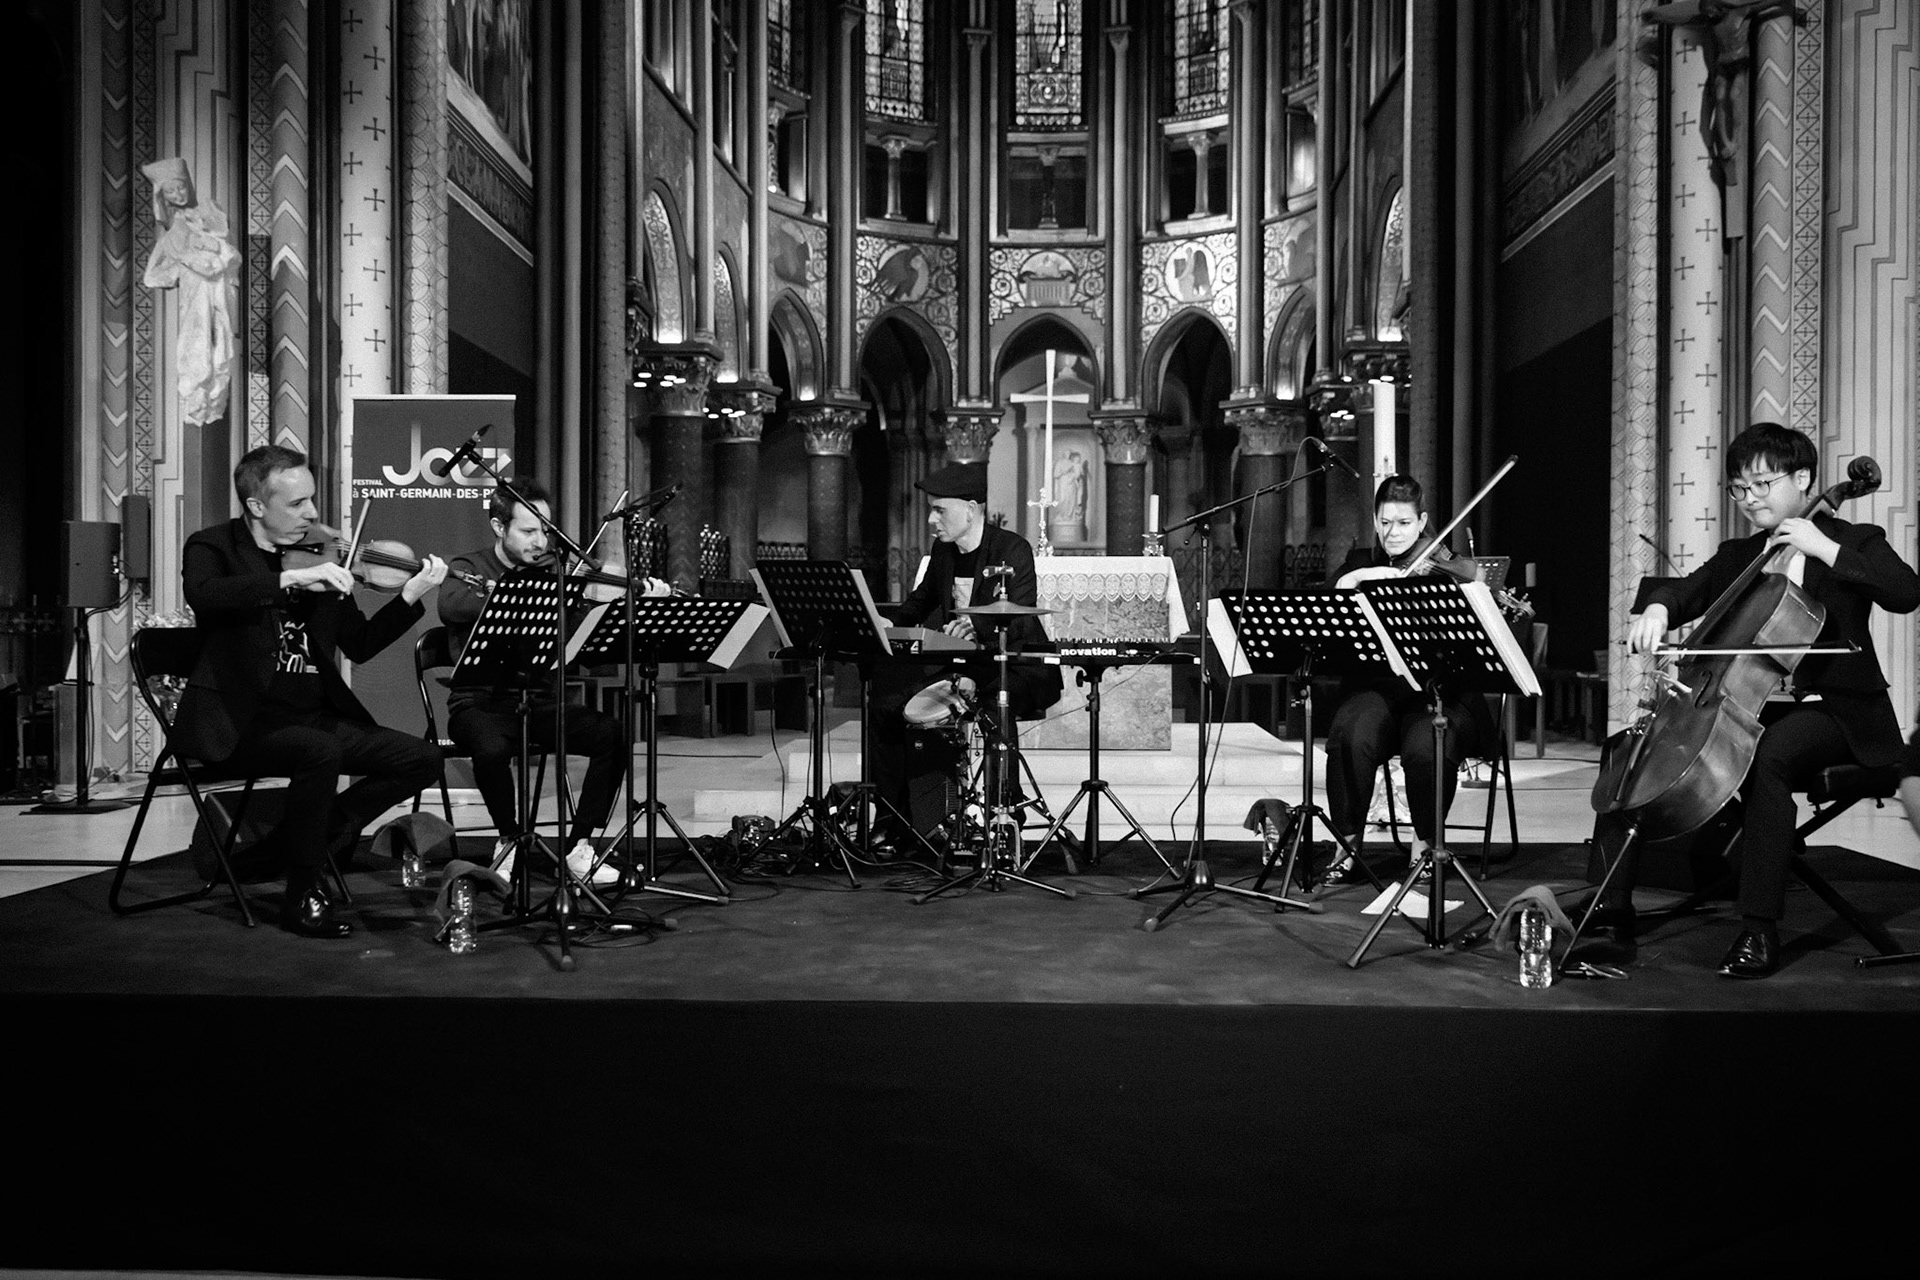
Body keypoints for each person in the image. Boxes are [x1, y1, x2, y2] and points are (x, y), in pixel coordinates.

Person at [1589, 422, 1920, 977]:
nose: (1749, 499)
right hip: (1749, 703)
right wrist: (1659, 610)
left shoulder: (1854, 542)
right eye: (1740, 489)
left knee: (1770, 754)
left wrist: (1827, 550)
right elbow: (1683, 588)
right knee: (1628, 747)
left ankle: (1757, 929)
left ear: (1803, 479)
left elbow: (1908, 593)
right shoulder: (1740, 554)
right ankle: (1609, 909)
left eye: (1762, 484)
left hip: (1835, 709)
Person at [176, 445, 448, 938]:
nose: (314, 513)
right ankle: (301, 893)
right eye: (298, 503)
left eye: (312, 500)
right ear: (257, 506)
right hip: (241, 723)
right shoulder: (213, 547)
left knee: (422, 758)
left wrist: (410, 597)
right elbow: (205, 594)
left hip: (310, 716)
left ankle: (305, 840)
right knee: (319, 751)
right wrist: (290, 579)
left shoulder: (322, 552)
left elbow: (359, 645)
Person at [437, 480, 669, 887]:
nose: (540, 540)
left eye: (545, 530)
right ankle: (508, 838)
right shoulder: (468, 567)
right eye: (528, 531)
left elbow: (578, 638)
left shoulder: (555, 576)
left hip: (539, 699)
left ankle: (579, 847)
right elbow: (450, 605)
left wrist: (626, 602)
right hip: (478, 703)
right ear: (498, 526)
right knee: (491, 749)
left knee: (610, 734)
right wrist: (508, 593)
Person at [871, 462, 1062, 843]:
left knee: (996, 706)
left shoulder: (1012, 549)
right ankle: (895, 818)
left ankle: (1003, 817)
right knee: (887, 704)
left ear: (971, 510)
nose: (930, 519)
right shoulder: (942, 553)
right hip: (962, 665)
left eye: (940, 509)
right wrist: (885, 624)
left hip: (1016, 664)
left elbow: (1021, 616)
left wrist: (980, 627)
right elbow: (919, 602)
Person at [1320, 475, 1490, 883]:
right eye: (1385, 522)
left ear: (1422, 521)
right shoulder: (1360, 562)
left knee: (1425, 746)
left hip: (1438, 693)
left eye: (1403, 523)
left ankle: (1426, 846)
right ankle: (1346, 844)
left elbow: (1475, 615)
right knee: (1350, 732)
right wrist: (1349, 583)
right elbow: (1328, 612)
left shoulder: (1446, 568)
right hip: (1380, 689)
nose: (1393, 533)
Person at [141, 157, 240, 427]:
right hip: (194, 295)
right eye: (171, 191)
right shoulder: (173, 233)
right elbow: (152, 276)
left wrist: (212, 255)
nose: (178, 194)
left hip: (217, 291)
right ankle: (197, 404)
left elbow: (229, 252)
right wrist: (186, 260)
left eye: (181, 187)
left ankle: (213, 403)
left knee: (220, 351)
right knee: (196, 352)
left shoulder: (209, 209)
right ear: (163, 196)